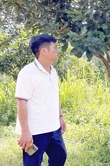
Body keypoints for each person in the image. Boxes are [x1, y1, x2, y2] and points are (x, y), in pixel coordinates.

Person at [15, 34, 67, 166]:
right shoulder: (27, 73)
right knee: (32, 162)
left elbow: (55, 95)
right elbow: (21, 102)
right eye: (54, 48)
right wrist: (25, 132)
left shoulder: (53, 71)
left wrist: (60, 117)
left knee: (60, 156)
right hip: (35, 132)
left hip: (53, 128)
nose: (57, 51)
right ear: (44, 51)